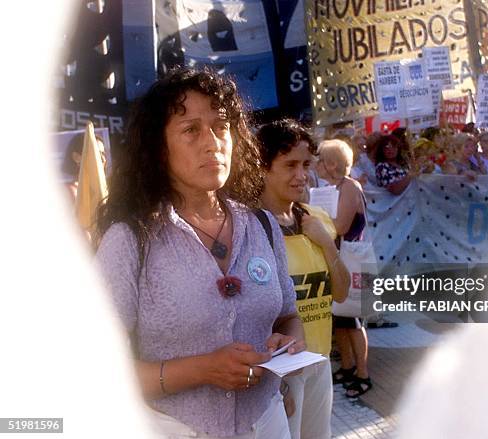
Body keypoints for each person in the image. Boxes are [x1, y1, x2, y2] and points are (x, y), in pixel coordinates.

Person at [95, 68, 305, 439]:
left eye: (221, 126)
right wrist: (202, 369)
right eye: (191, 130)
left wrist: (288, 343)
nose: (213, 143)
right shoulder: (129, 241)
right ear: (159, 149)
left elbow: (287, 316)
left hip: (267, 422)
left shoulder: (262, 225)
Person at [256, 120, 350, 439]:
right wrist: (274, 376)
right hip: (280, 370)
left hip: (319, 360)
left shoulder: (317, 220)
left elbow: (341, 293)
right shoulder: (247, 227)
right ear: (263, 168)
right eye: (289, 165)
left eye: (306, 164)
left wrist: (326, 243)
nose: (301, 175)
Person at [316, 138, 373, 399]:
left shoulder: (349, 187)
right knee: (339, 317)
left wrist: (316, 221)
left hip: (352, 260)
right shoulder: (332, 187)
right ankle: (347, 366)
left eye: (321, 159)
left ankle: (363, 373)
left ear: (332, 164)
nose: (316, 165)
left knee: (353, 318)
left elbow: (340, 227)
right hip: (340, 259)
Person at [62, 131, 107, 202]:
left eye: (103, 153)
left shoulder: (107, 190)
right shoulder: (67, 193)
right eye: (96, 154)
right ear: (76, 157)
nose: (103, 159)